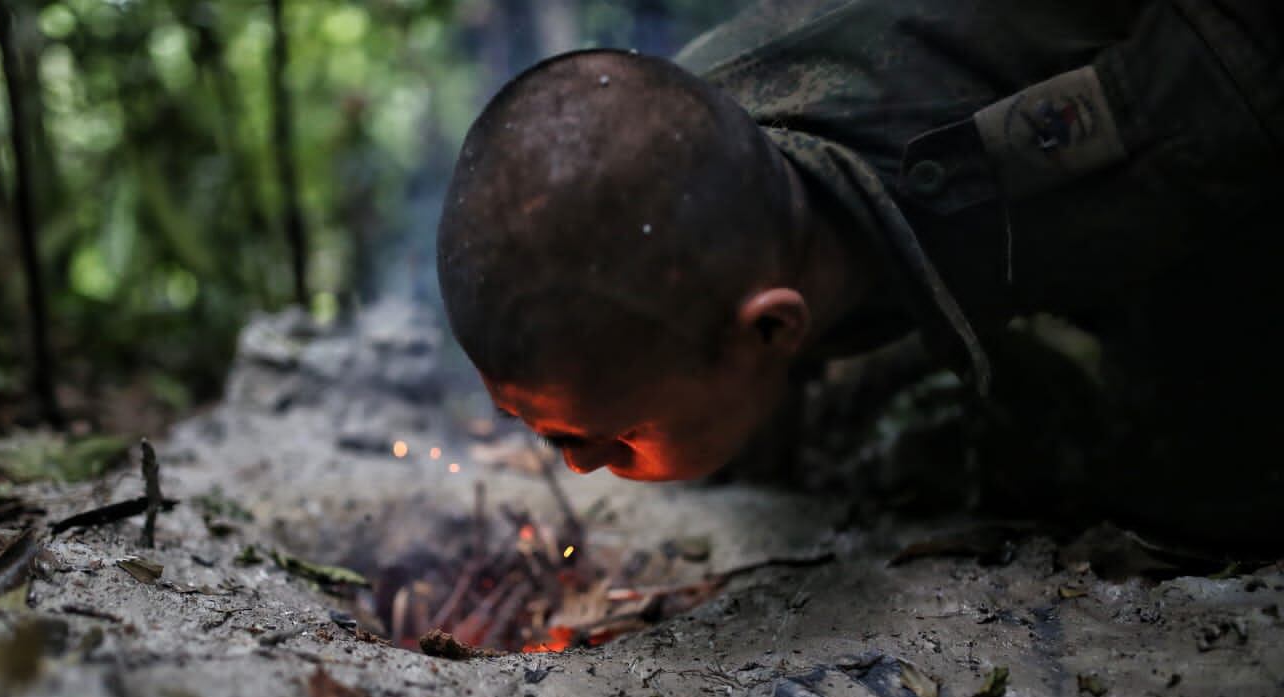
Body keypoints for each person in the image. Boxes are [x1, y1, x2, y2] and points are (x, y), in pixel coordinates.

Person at [436, 0, 1284, 550]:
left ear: (775, 327)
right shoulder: (682, 133)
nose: (579, 465)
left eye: (614, 434)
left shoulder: (1107, 140)